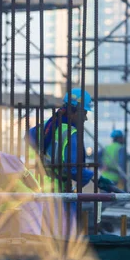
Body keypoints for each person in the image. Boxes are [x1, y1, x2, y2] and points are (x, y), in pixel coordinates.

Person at [28, 88, 94, 236]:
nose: (85, 119)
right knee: (65, 239)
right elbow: (74, 169)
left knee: (42, 237)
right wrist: (94, 177)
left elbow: (27, 140)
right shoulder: (71, 134)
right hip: (59, 193)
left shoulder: (46, 126)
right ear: (73, 112)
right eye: (84, 113)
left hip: (37, 190)